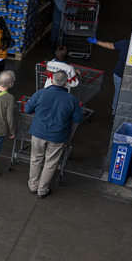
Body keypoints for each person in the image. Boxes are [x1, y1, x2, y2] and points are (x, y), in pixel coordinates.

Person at [24, 70, 84, 198]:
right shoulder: (71, 99)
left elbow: (27, 109)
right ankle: (42, 190)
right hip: (57, 136)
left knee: (36, 159)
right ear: (66, 83)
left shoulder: (40, 93)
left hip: (38, 133)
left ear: (51, 80)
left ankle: (33, 186)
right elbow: (78, 119)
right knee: (50, 163)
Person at [88, 36, 130, 116]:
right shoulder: (125, 43)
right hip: (119, 74)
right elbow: (111, 45)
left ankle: (122, 112)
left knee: (126, 95)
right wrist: (97, 42)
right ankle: (115, 112)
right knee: (118, 93)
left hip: (130, 77)